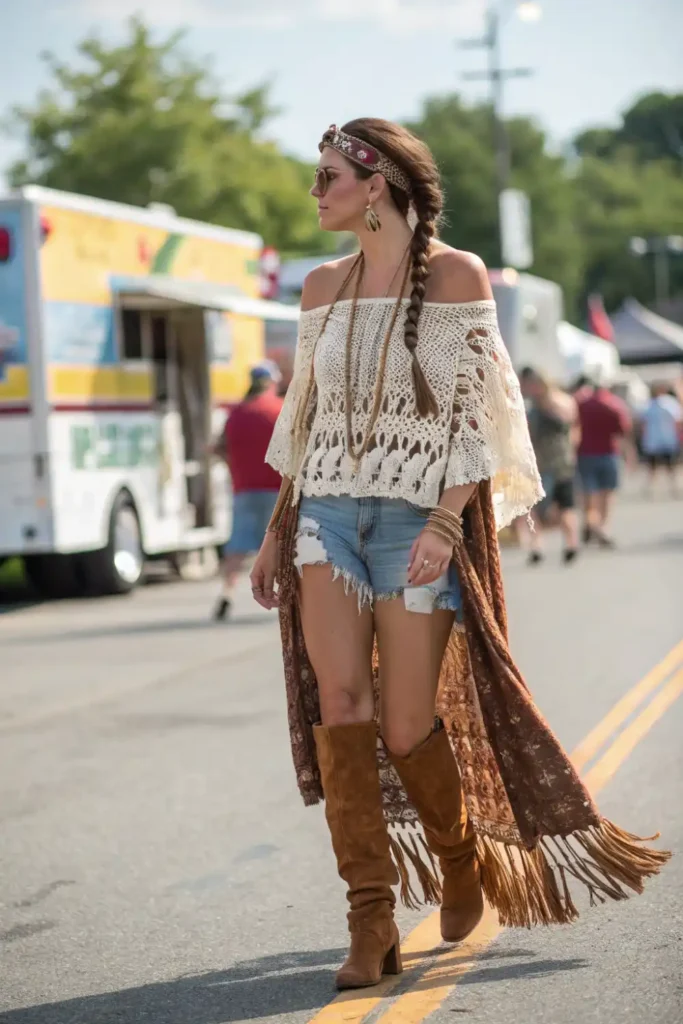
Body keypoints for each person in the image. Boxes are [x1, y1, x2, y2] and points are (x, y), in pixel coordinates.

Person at [249, 119, 668, 991]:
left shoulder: (456, 276)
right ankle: (369, 921)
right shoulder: (320, 285)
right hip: (325, 513)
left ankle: (459, 857)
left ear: (379, 184)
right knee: (340, 702)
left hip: (413, 523)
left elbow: (479, 418)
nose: (315, 192)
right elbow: (306, 421)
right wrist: (273, 530)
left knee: (405, 724)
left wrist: (444, 525)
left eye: (327, 176)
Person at [212, 361, 283, 621]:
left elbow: (218, 447)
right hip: (277, 490)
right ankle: (288, 597)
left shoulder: (236, 414)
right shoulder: (280, 410)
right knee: (283, 545)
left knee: (237, 548)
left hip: (244, 489)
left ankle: (226, 594)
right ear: (272, 383)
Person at [519, 367, 580, 565]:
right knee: (539, 508)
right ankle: (540, 545)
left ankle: (568, 544)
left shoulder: (554, 402)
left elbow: (569, 424)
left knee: (562, 507)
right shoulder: (534, 406)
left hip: (554, 463)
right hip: (547, 463)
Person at [576, 377, 633, 546]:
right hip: (608, 453)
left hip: (585, 452)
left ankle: (589, 521)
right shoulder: (614, 404)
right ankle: (603, 527)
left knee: (589, 492)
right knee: (607, 493)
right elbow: (623, 429)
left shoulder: (582, 404)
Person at [639, 382, 682, 497]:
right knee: (670, 467)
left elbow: (643, 424)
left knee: (655, 468)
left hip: (654, 441)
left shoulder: (649, 405)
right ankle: (674, 489)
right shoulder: (670, 403)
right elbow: (678, 421)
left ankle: (652, 490)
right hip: (667, 440)